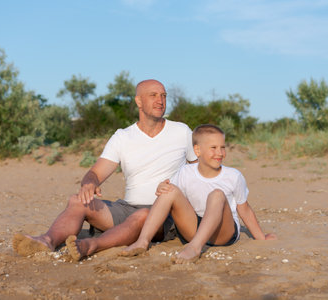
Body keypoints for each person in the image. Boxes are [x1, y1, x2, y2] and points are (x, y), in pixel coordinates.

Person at [12, 79, 197, 260]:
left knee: (143, 215)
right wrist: (89, 184)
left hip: (163, 214)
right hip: (126, 208)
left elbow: (199, 172)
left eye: (163, 95)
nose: (160, 100)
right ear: (139, 101)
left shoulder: (182, 131)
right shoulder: (123, 137)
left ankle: (92, 245)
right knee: (78, 201)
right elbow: (95, 173)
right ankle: (47, 241)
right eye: (153, 95)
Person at [121, 124, 277, 263]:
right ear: (197, 150)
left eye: (222, 147)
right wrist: (162, 187)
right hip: (193, 228)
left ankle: (195, 248)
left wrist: (261, 238)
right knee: (169, 190)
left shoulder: (233, 176)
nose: (220, 153)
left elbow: (245, 210)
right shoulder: (185, 172)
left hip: (223, 232)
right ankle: (142, 241)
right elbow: (168, 196)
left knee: (217, 194)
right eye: (213, 148)